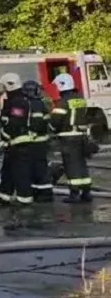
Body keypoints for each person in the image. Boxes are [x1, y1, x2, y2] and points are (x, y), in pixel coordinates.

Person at [49, 73, 94, 204]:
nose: (56, 89)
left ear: (62, 85)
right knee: (81, 164)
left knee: (71, 166)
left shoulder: (62, 103)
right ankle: (86, 192)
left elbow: (55, 122)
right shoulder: (80, 99)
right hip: (81, 136)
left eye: (57, 86)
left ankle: (74, 194)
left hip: (68, 138)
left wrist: (51, 128)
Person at [0, 73, 36, 207]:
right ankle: (4, 196)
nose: (3, 90)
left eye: (4, 87)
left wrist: (3, 136)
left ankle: (24, 199)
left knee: (21, 173)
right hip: (13, 143)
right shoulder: (13, 100)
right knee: (7, 171)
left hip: (20, 142)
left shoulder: (19, 102)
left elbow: (15, 123)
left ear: (9, 85)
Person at [22, 80, 55, 202]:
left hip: (35, 141)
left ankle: (43, 193)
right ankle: (41, 192)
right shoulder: (40, 103)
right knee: (39, 167)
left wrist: (31, 133)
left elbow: (36, 123)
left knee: (37, 168)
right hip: (41, 140)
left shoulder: (33, 104)